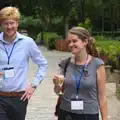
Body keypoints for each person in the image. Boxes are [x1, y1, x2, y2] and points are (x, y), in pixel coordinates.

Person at [0, 6, 47, 120]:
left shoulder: (27, 43)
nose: (9, 26)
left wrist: (33, 85)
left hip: (19, 98)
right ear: (1, 24)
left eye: (12, 23)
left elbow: (43, 64)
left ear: (17, 23)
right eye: (6, 23)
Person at [53, 27, 107, 120]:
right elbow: (58, 91)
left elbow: (102, 97)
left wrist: (105, 118)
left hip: (89, 115)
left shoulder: (97, 65)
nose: (71, 44)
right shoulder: (65, 63)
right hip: (66, 113)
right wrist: (57, 84)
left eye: (74, 41)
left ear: (85, 42)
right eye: (69, 42)